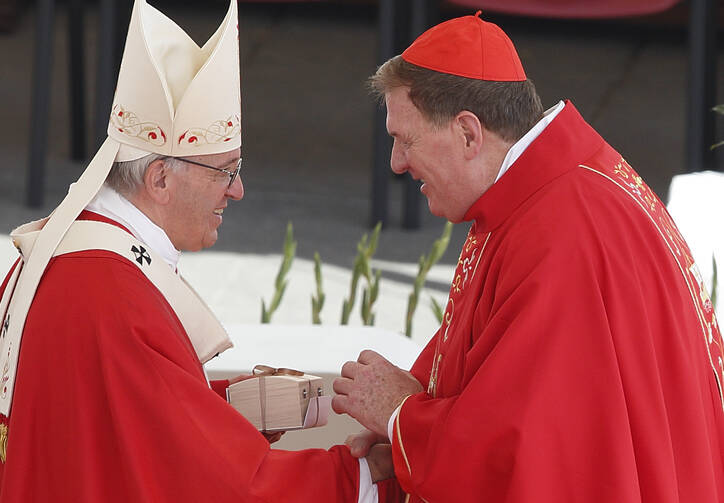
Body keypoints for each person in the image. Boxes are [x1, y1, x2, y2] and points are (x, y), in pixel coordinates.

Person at [0, 1, 401, 501]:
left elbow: (125, 418)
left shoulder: (59, 253)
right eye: (225, 171)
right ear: (161, 177)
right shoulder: (115, 299)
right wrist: (363, 476)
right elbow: (215, 483)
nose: (237, 191)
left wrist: (225, 408)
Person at [332, 12, 724, 502]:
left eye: (404, 140)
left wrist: (400, 413)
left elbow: (527, 453)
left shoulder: (563, 233)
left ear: (469, 134)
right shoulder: (539, 192)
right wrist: (409, 427)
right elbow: (501, 360)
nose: (396, 163)